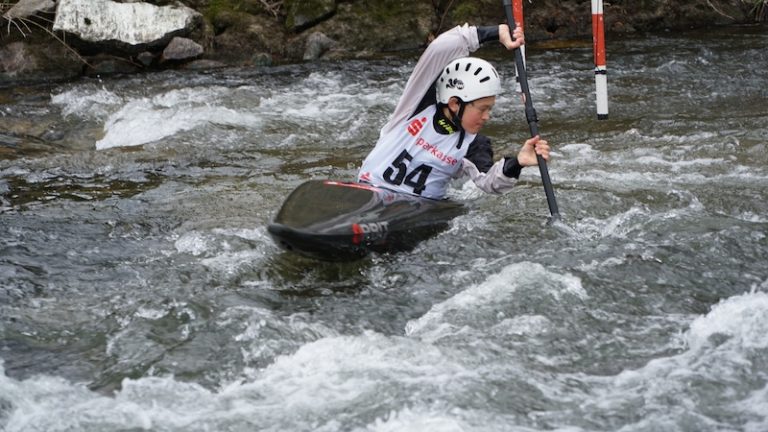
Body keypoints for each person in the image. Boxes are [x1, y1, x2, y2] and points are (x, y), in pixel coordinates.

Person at [357, 23, 551, 200]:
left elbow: (491, 183)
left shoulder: (474, 144)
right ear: (454, 104)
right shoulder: (417, 106)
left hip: (416, 209)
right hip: (367, 189)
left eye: (489, 109)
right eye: (482, 109)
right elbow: (441, 48)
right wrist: (496, 33)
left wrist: (518, 162)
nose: (487, 117)